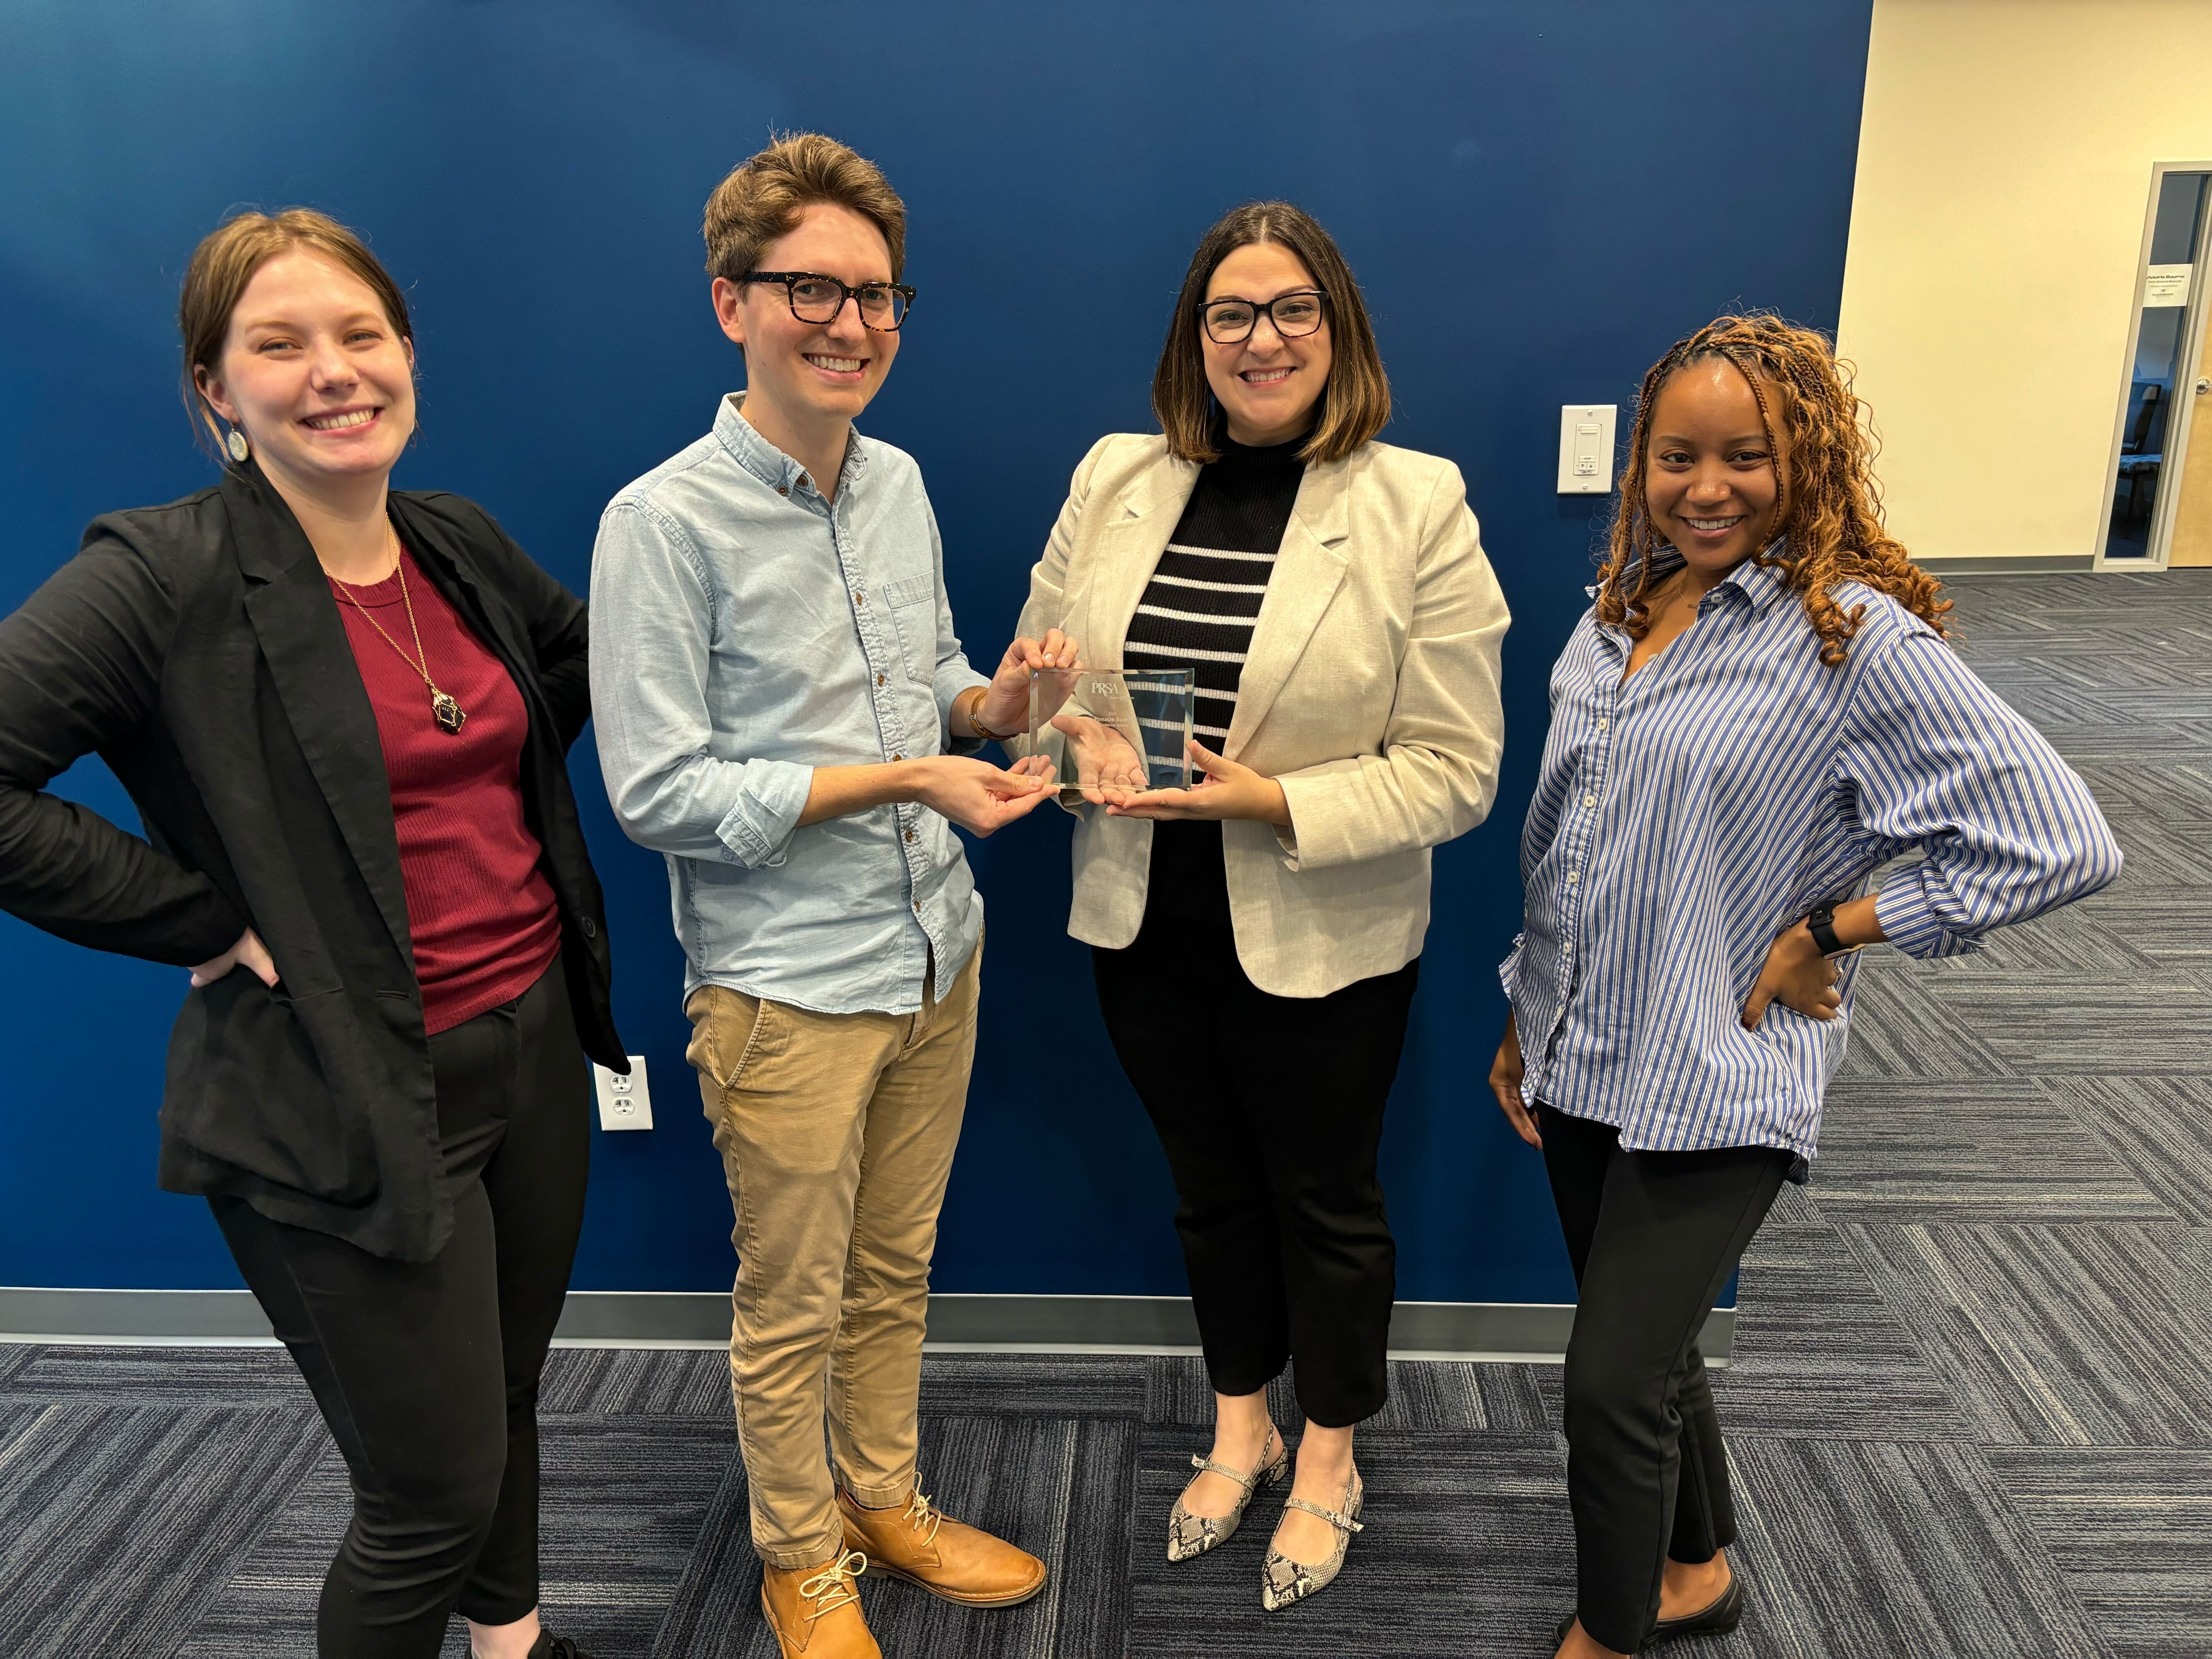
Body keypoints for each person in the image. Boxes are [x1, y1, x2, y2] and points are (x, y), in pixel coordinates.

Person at [0, 210, 623, 1659]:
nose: (334, 371)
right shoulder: (164, 575)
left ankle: (517, 1651)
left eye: (361, 334)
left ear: (408, 352)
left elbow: (578, 665)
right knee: (428, 1494)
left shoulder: (452, 542)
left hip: (527, 1051)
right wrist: (207, 914)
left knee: (507, 1398)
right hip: (334, 1093)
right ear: (215, 389)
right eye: (278, 345)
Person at [1488, 314, 2123, 1659]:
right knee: (1655, 1355)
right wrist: (1522, 1012)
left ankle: (1610, 1636)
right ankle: (1699, 1567)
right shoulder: (1616, 615)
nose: (1706, 486)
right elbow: (1570, 844)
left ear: (1809, 464)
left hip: (1721, 1067)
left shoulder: (1850, 639)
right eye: (1677, 457)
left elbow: (2060, 837)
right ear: (1641, 469)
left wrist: (1835, 925)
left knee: (1606, 1385)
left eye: (1747, 457)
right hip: (1585, 1049)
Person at [589, 134, 1056, 1659]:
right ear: (732, 302)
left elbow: (919, 679)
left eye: (875, 296)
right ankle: (802, 1557)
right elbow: (658, 793)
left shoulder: (900, 485)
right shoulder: (660, 523)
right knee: (790, 1301)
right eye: (811, 290)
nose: (850, 324)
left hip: (936, 952)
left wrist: (992, 707)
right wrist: (906, 782)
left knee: (895, 1266)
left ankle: (883, 1497)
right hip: (784, 981)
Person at [1007, 200, 1510, 1610]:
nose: (1262, 337)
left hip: (1322, 925)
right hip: (1137, 915)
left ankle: (1331, 1455)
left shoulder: (1419, 502)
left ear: (1337, 328)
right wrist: (1067, 744)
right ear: (1196, 339)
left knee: (1326, 1201)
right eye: (1232, 314)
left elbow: (1456, 770)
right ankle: (1242, 1424)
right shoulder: (1117, 476)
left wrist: (1269, 802)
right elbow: (1032, 689)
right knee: (1209, 1194)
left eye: (1293, 309)